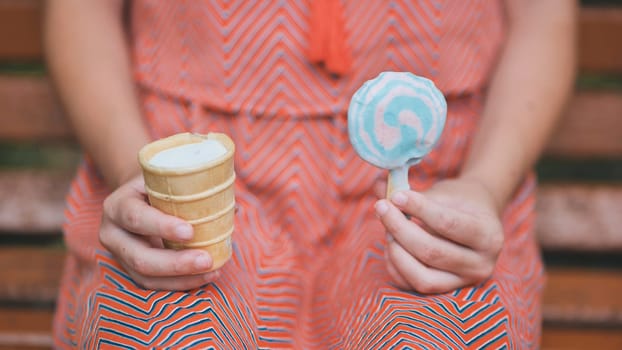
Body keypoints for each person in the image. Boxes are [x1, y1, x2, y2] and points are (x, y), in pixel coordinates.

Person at [45, 0, 576, 348]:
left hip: (432, 182)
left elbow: (543, 19)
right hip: (196, 172)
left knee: (449, 336)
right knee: (164, 334)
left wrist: (484, 182)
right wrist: (139, 169)